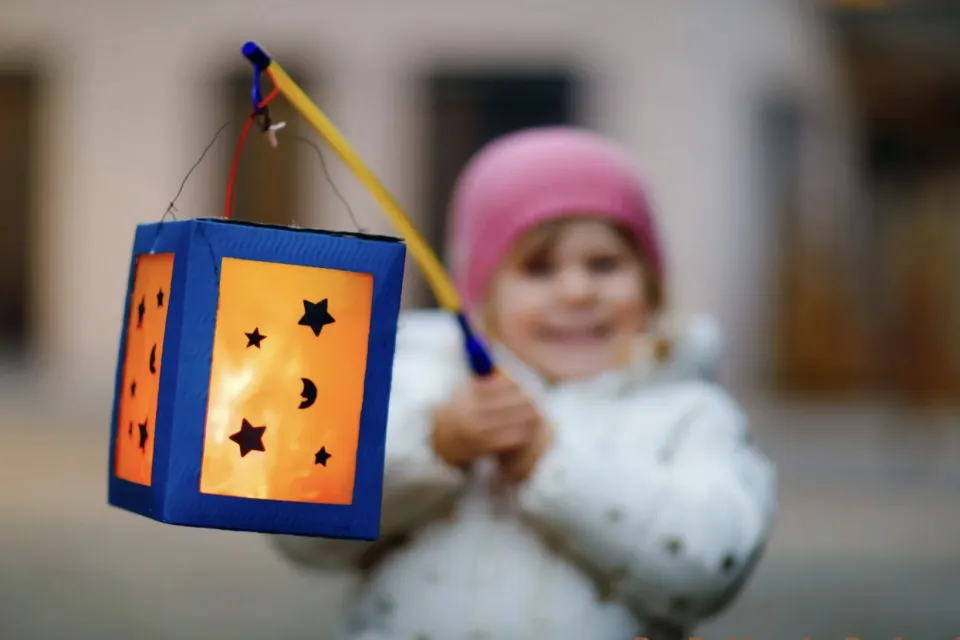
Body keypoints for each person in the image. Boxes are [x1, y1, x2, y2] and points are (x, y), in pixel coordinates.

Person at [269, 127, 778, 640]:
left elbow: (709, 568)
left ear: (650, 283)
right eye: (538, 269)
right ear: (478, 295)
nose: (578, 292)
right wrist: (435, 445)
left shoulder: (687, 413)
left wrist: (553, 464)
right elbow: (304, 532)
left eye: (605, 264)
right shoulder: (420, 388)